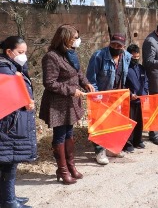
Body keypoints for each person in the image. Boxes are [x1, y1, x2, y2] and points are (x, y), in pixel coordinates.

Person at [39, 25, 94, 185]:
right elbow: (49, 83)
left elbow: (78, 73)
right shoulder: (51, 57)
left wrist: (86, 83)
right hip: (58, 103)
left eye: (77, 37)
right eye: (74, 37)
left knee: (70, 133)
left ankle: (71, 166)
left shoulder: (71, 53)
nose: (77, 40)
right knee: (60, 135)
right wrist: (71, 90)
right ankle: (62, 170)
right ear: (64, 38)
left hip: (70, 102)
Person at [0, 36, 36, 208]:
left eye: (25, 52)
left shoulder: (13, 66)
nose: (24, 56)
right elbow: (8, 96)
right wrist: (25, 102)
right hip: (9, 123)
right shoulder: (4, 69)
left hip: (13, 121)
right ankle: (8, 201)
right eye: (21, 52)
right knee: (8, 162)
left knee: (10, 162)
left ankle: (9, 196)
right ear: (9, 52)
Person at [86, 33, 131, 165]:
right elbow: (91, 78)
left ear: (123, 46)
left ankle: (112, 148)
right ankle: (99, 151)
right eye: (113, 44)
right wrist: (97, 96)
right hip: (101, 96)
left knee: (115, 123)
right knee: (99, 124)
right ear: (109, 43)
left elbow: (126, 76)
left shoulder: (126, 56)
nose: (115, 47)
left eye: (119, 45)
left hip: (118, 97)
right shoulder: (98, 56)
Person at [123, 44, 148, 153]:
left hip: (140, 100)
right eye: (134, 58)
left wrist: (146, 92)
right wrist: (130, 94)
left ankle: (138, 140)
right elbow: (121, 85)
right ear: (128, 56)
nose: (136, 60)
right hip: (129, 101)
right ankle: (128, 142)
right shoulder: (124, 69)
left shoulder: (141, 68)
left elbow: (146, 81)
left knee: (140, 121)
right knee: (129, 122)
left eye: (138, 57)